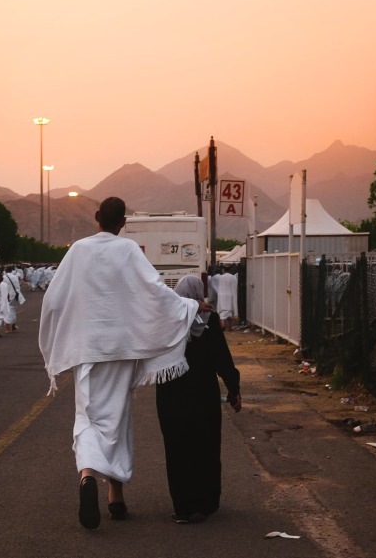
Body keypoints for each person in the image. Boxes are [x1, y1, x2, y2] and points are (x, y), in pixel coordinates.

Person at [39, 197, 212, 530]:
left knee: (87, 416)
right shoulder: (129, 249)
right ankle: (115, 497)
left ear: (96, 218)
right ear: (123, 223)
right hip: (122, 348)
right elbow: (155, 291)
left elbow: (55, 297)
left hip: (88, 349)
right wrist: (190, 307)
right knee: (116, 419)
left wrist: (63, 335)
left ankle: (88, 475)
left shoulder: (77, 250)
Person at [156, 275, 241, 524]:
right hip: (204, 396)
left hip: (171, 397)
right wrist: (233, 390)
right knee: (206, 448)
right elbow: (222, 360)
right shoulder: (209, 320)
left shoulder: (166, 322)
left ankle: (183, 508)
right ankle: (207, 503)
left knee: (177, 450)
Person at [3, 267, 25, 333]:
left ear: (5, 271)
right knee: (13, 309)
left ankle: (7, 328)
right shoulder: (15, 277)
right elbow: (18, 287)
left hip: (7, 296)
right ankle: (13, 326)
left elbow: (2, 287)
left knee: (7, 310)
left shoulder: (3, 277)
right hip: (15, 295)